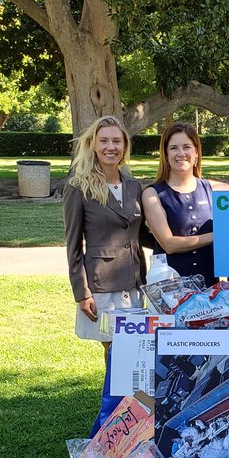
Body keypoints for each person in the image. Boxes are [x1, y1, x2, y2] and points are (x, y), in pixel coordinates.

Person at [62, 115, 144, 352]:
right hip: (102, 285)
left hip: (134, 283)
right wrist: (81, 293)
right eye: (105, 141)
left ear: (125, 146)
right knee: (113, 350)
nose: (111, 147)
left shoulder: (132, 185)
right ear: (93, 145)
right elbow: (73, 245)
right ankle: (112, 392)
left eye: (117, 141)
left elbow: (140, 232)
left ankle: (128, 392)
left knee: (134, 351)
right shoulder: (79, 187)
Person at [142, 122, 229, 287]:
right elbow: (169, 244)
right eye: (174, 148)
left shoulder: (212, 189)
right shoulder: (152, 194)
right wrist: (220, 235)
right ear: (166, 155)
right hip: (170, 291)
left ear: (196, 152)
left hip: (210, 289)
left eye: (187, 147)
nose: (181, 153)